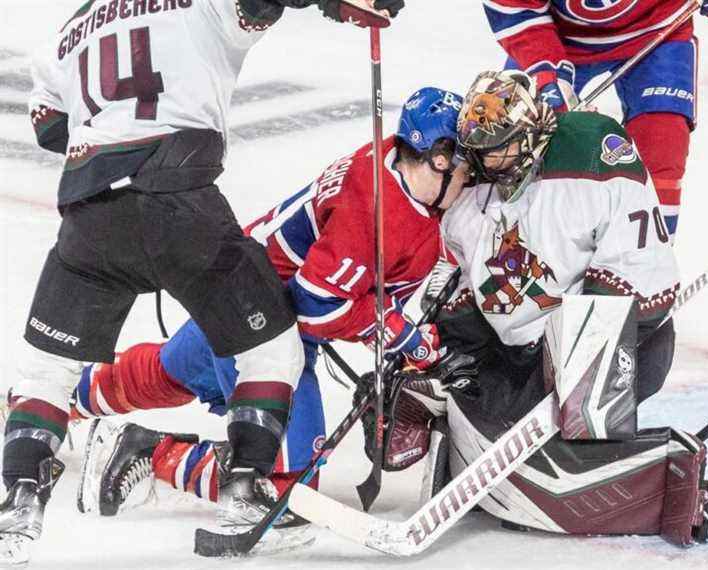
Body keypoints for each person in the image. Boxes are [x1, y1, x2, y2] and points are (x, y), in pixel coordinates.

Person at [0, 0, 404, 564]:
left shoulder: (73, 28)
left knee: (46, 370)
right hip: (180, 203)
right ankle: (244, 489)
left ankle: (20, 499)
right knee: (272, 350)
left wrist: (109, 123)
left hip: (89, 216)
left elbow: (48, 127)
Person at [365, 70, 708, 546]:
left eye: (500, 147)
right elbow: (459, 281)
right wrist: (446, 344)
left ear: (532, 133)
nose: (488, 161)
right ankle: (440, 408)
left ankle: (693, 491)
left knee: (561, 455)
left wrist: (577, 351)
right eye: (480, 151)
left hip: (625, 342)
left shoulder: (591, 151)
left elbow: (641, 271)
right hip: (524, 353)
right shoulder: (471, 190)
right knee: (459, 394)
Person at [67, 87, 468, 530]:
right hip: (262, 327)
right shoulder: (376, 212)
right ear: (439, 160)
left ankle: (43, 406)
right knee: (285, 494)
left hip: (235, 287)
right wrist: (400, 334)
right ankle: (146, 449)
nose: (472, 178)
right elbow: (316, 307)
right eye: (465, 165)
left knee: (166, 373)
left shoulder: (397, 163)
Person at [482, 0, 708, 237]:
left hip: (657, 27)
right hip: (555, 35)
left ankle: (645, 268)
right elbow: (514, 7)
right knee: (507, 142)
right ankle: (484, 250)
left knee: (663, 141)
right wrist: (545, 70)